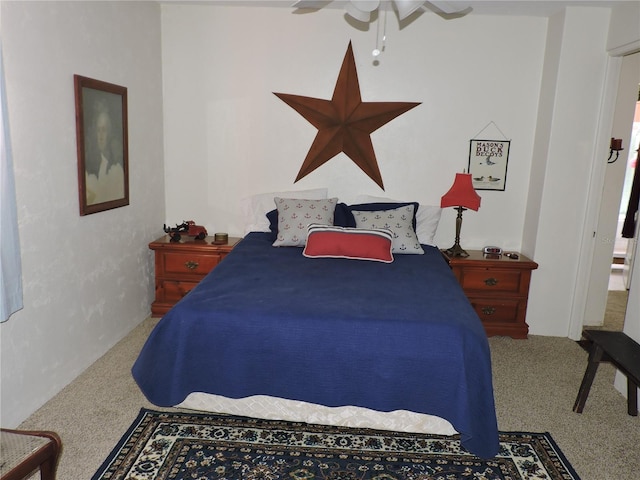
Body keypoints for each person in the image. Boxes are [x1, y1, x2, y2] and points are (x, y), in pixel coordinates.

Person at [84, 104, 124, 205]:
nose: (101, 135)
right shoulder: (92, 165)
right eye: (98, 130)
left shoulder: (116, 168)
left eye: (104, 130)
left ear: (109, 133)